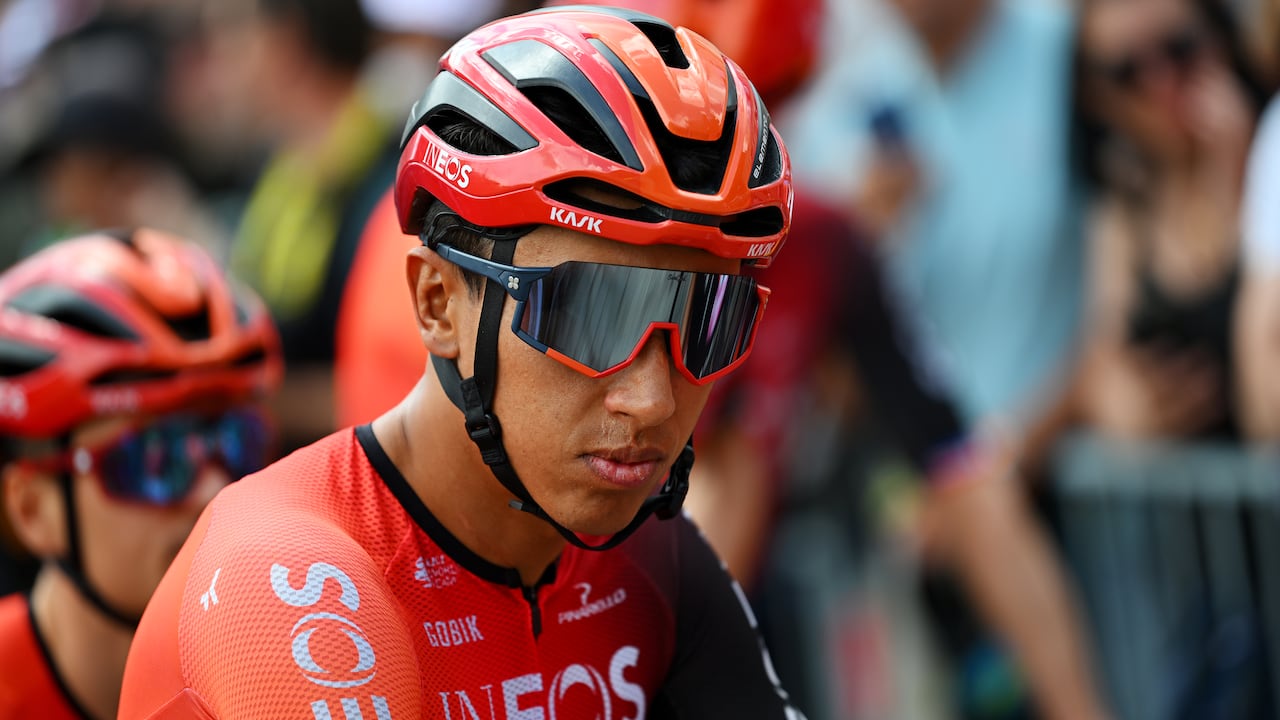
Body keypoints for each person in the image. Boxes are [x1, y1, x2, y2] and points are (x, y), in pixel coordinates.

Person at [119, 7, 805, 718]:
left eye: (709, 323)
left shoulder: (646, 557)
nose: (654, 400)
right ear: (439, 303)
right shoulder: (286, 576)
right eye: (594, 316)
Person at [0, 228, 282, 720]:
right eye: (156, 458)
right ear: (33, 511)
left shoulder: (296, 666)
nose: (214, 491)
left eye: (238, 441)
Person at [1062, 0, 1265, 442]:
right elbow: (1104, 351)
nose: (1162, 82)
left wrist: (1241, 172)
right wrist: (1114, 401)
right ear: (1098, 98)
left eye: (1180, 48)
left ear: (1221, 40)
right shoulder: (1124, 204)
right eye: (1125, 71)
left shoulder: (1270, 156)